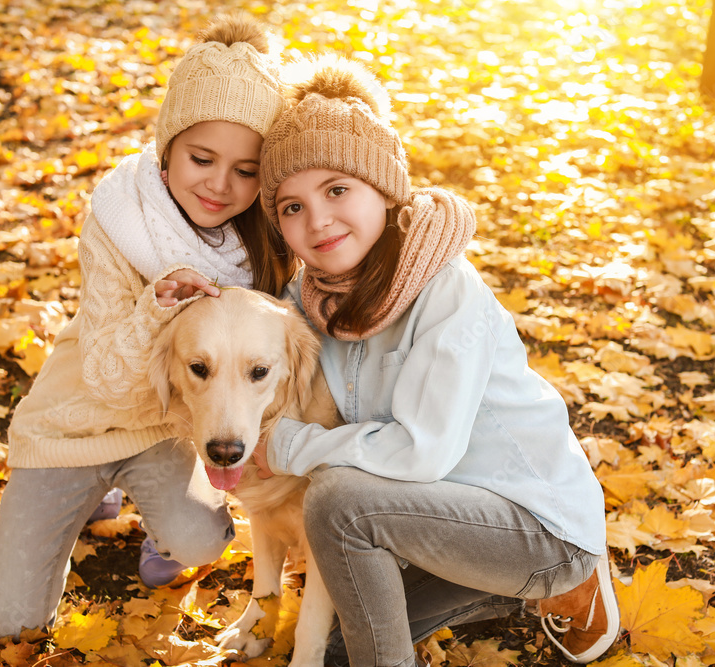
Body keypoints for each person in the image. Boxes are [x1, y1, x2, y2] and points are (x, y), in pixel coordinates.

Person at [253, 55, 620, 666]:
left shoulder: (447, 292)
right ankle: (499, 593)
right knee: (342, 649)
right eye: (291, 206)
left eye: (337, 189)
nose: (316, 220)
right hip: (438, 517)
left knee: (339, 503)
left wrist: (290, 447)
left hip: (533, 524)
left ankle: (571, 577)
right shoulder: (313, 299)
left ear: (384, 188)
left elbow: (422, 453)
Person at [0, 13, 295, 639]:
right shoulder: (120, 220)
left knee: (199, 541)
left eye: (246, 170)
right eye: (202, 158)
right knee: (7, 622)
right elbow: (103, 378)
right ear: (166, 146)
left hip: (166, 429)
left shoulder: (262, 241)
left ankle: (158, 515)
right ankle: (91, 496)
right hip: (81, 417)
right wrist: (155, 308)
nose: (220, 184)